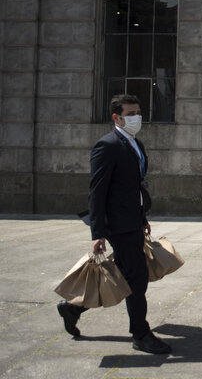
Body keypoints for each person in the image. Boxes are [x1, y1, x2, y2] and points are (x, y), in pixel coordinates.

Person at [56, 94, 171, 354]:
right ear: (116, 117)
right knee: (136, 278)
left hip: (132, 221)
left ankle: (72, 308)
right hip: (118, 224)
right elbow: (97, 192)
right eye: (130, 113)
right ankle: (140, 334)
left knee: (120, 273)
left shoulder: (135, 143)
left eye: (138, 112)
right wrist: (97, 233)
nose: (136, 117)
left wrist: (143, 219)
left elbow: (135, 186)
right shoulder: (107, 145)